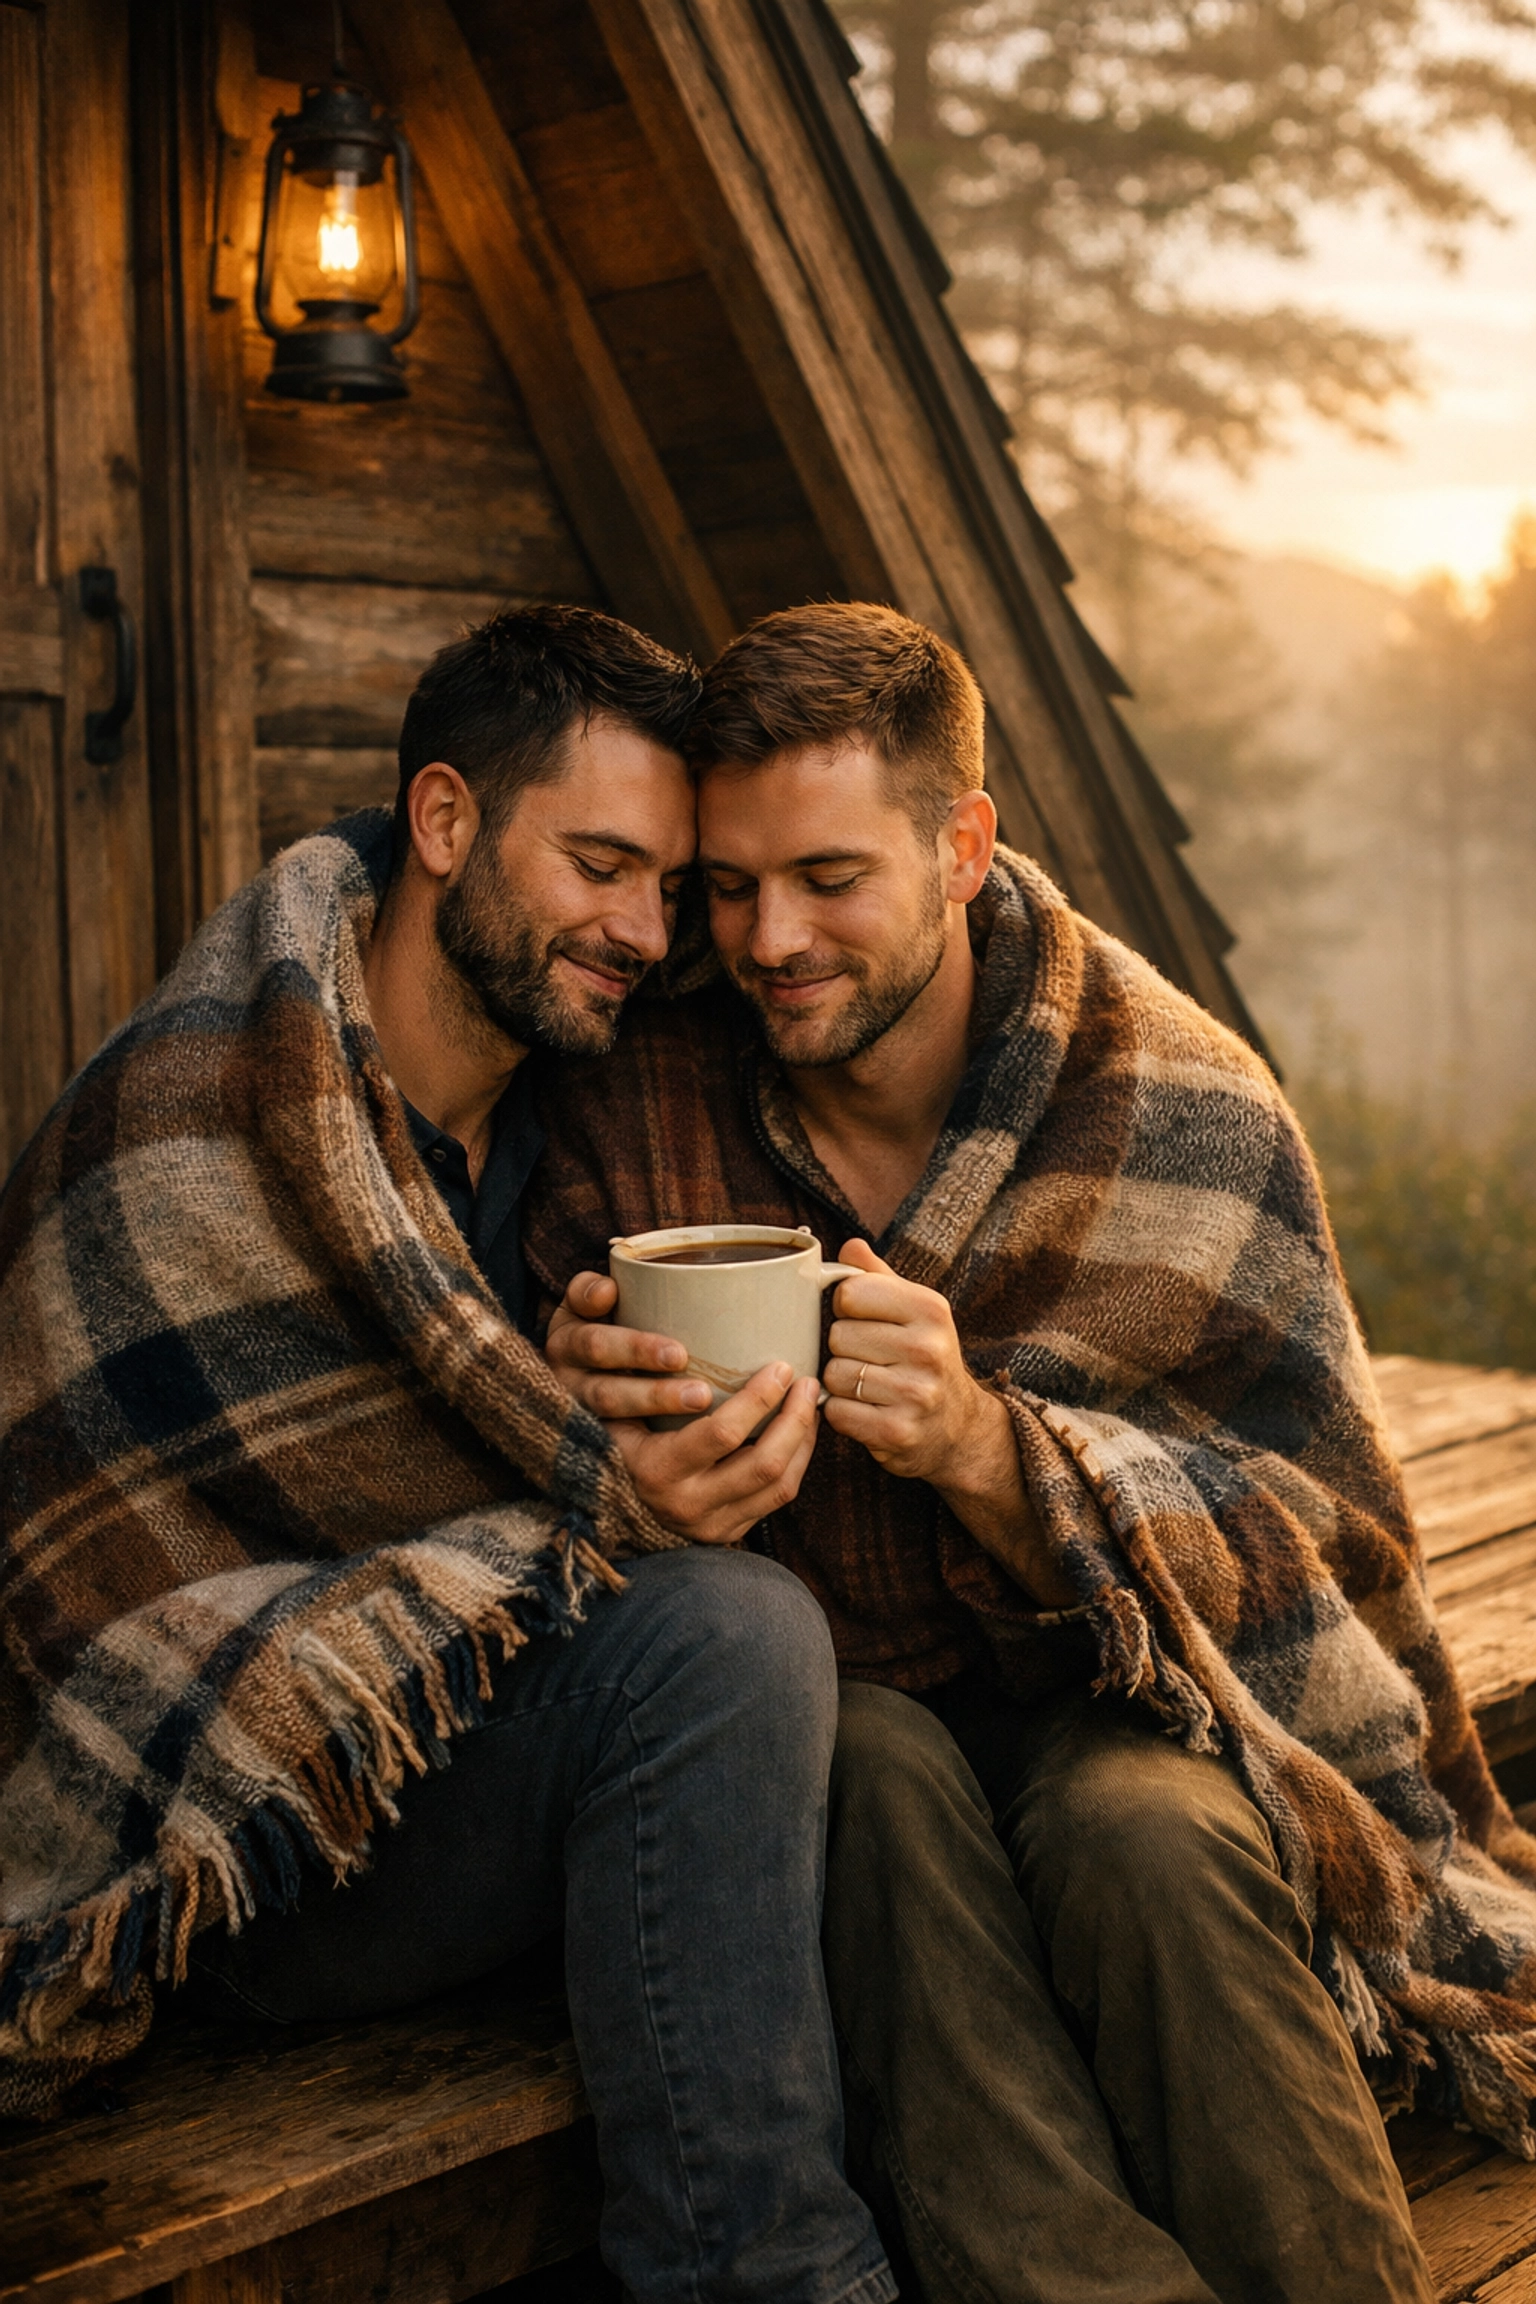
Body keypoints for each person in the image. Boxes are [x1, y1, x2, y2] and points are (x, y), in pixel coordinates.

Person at [531, 601, 1536, 2304]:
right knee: (876, 1795)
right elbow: (537, 1458)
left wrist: (1001, 1454)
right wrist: (596, 1451)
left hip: (1115, 1688)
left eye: (830, 879)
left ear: (961, 846)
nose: (770, 937)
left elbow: (1324, 1537)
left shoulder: (1176, 1097)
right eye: (730, 885)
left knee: (1155, 1838)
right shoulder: (642, 1094)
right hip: (837, 1704)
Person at [0, 607, 894, 2304]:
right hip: (234, 1820)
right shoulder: (192, 1119)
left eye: (665, 882)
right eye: (600, 864)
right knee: (729, 1637)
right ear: (442, 824)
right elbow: (100, 1586)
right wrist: (607, 1500)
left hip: (496, 1761)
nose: (642, 931)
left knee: (869, 1724)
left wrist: (628, 1465)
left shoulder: (595, 1118)